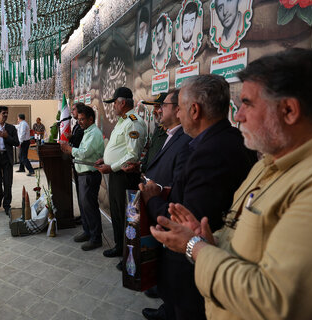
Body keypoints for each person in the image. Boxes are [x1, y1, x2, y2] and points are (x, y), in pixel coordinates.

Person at [150, 48, 312, 320]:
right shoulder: (269, 165)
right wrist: (208, 239)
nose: (237, 116)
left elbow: (276, 304)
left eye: (247, 104)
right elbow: (241, 238)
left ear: (288, 110)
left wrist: (195, 247)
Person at [140, 75, 257, 320]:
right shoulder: (233, 139)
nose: (178, 116)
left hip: (194, 278)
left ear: (194, 110)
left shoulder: (209, 153)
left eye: (180, 109)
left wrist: (152, 200)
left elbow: (188, 223)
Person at [140, 89, 193, 320]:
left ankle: (168, 310)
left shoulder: (186, 139)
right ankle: (162, 295)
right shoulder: (168, 134)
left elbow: (179, 179)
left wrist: (159, 191)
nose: (159, 110)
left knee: (172, 264)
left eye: (165, 106)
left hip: (168, 207)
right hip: (155, 202)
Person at [95, 87, 146, 270]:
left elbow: (132, 155)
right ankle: (119, 247)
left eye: (114, 103)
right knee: (116, 213)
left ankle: (129, 254)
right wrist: (105, 159)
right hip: (115, 174)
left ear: (122, 102)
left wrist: (112, 166)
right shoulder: (123, 120)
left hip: (125, 176)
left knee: (126, 216)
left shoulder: (133, 122)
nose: (113, 107)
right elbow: (119, 149)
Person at [61, 105, 105, 251]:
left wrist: (70, 149)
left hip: (90, 175)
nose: (79, 122)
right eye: (78, 119)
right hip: (82, 174)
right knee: (84, 207)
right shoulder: (87, 131)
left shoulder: (94, 133)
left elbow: (85, 152)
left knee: (90, 208)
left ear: (91, 119)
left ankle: (96, 238)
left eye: (82, 119)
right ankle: (87, 232)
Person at [66, 102, 85, 224]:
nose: (72, 112)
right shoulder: (77, 125)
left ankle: (85, 218)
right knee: (79, 192)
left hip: (82, 163)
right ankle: (83, 215)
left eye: (73, 110)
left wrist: (71, 139)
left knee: (84, 195)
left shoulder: (84, 127)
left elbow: (78, 142)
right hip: (76, 161)